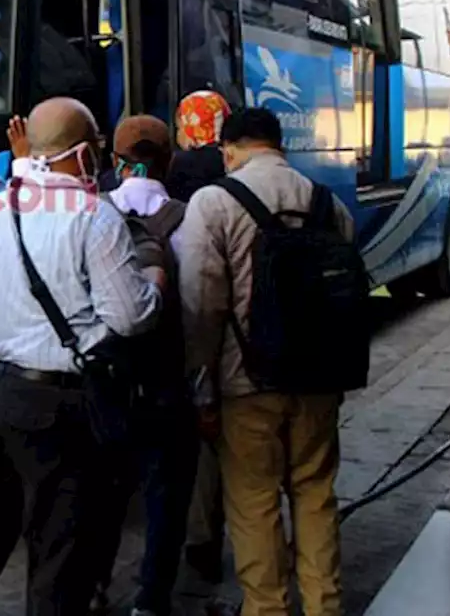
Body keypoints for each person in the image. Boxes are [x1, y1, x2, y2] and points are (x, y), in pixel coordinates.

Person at [0, 97, 164, 616]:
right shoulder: (93, 216)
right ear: (81, 153)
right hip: (52, 403)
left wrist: (3, 317)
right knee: (60, 543)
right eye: (96, 147)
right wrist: (155, 284)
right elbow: (130, 316)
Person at [175, 108, 353, 616]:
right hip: (318, 377)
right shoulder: (326, 202)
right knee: (315, 494)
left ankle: (267, 608)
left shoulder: (214, 203)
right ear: (280, 145)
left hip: (245, 384)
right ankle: (324, 606)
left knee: (253, 504)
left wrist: (202, 387)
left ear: (227, 150)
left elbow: (201, 304)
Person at [89, 116, 199, 616]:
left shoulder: (93, 216)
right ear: (169, 160)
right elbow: (204, 304)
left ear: (113, 160)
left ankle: (93, 587)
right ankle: (151, 600)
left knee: (102, 493)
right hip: (169, 383)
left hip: (107, 382)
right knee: (167, 497)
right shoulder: (189, 218)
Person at [166, 89, 233, 583]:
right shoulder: (229, 172)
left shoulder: (177, 170)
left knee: (203, 450)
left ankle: (201, 543)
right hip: (244, 337)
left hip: (197, 329)